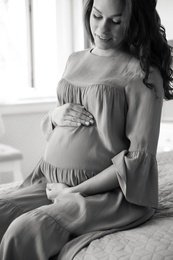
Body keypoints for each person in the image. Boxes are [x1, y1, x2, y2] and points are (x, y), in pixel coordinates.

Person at [0, 0, 173, 259]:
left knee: (24, 231)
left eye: (115, 21)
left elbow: (138, 162)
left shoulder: (143, 74)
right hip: (51, 179)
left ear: (135, 22)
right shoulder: (75, 60)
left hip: (108, 192)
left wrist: (73, 192)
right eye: (96, 16)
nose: (102, 28)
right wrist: (54, 115)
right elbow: (59, 129)